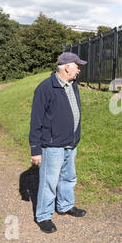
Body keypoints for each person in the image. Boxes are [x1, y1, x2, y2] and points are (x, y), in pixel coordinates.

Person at [29, 52, 87, 233]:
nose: (79, 69)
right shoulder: (45, 88)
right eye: (77, 66)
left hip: (71, 142)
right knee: (49, 182)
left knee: (68, 177)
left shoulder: (73, 84)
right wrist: (35, 149)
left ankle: (65, 206)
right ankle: (44, 216)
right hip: (52, 145)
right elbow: (36, 121)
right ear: (67, 66)